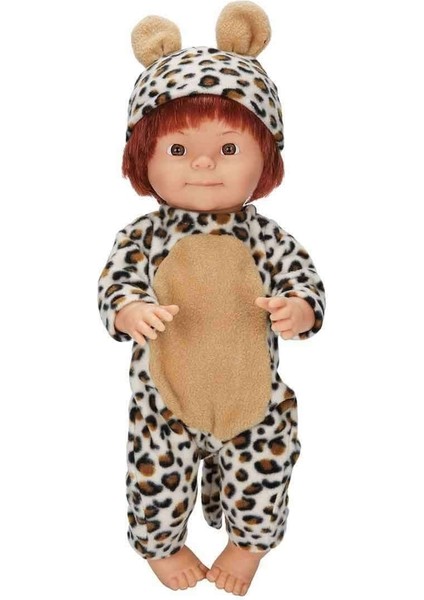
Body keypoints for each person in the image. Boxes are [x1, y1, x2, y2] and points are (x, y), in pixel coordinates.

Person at [97, 2, 326, 595]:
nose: (202, 163)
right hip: (165, 398)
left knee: (266, 468)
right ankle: (161, 544)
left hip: (253, 395)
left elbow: (303, 279)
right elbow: (115, 283)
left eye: (228, 149)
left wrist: (299, 309)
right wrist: (129, 309)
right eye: (177, 151)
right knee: (155, 476)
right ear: (142, 158)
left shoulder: (267, 237)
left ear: (266, 158)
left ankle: (249, 543)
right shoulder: (143, 236)